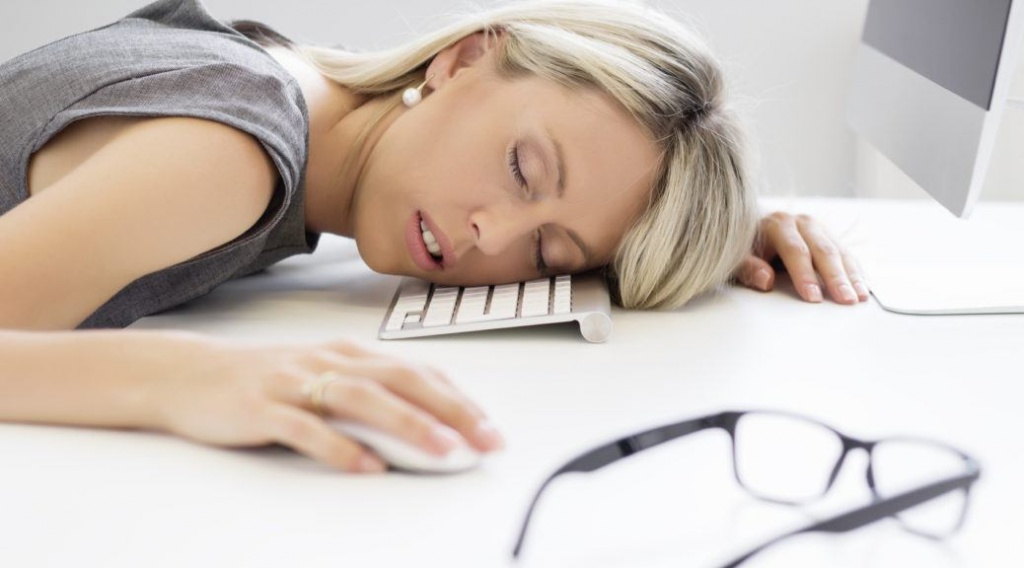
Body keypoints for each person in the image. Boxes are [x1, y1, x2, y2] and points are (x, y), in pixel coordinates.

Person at [0, 0, 869, 473]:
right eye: (525, 170)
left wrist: (707, 230)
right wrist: (190, 378)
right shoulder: (229, 152)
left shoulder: (301, 95)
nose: (491, 233)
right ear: (462, 60)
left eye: (548, 254)